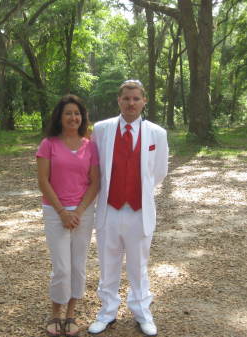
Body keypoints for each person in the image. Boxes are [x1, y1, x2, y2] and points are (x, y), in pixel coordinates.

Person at [88, 80, 169, 336]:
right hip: (109, 208)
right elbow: (95, 167)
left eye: (136, 98)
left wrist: (139, 191)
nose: (131, 103)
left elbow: (158, 172)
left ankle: (142, 312)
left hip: (138, 209)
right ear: (119, 101)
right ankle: (107, 311)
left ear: (144, 101)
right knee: (108, 263)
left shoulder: (157, 133)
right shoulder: (101, 129)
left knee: (138, 265)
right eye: (126, 98)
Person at [36, 94, 100, 337]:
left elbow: (95, 182)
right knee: (61, 267)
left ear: (82, 117)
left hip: (83, 212)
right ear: (60, 117)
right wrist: (63, 212)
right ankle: (55, 314)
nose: (73, 117)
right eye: (68, 113)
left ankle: (71, 314)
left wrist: (79, 211)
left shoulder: (90, 145)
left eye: (77, 113)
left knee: (77, 265)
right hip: (55, 212)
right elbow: (43, 181)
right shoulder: (48, 144)